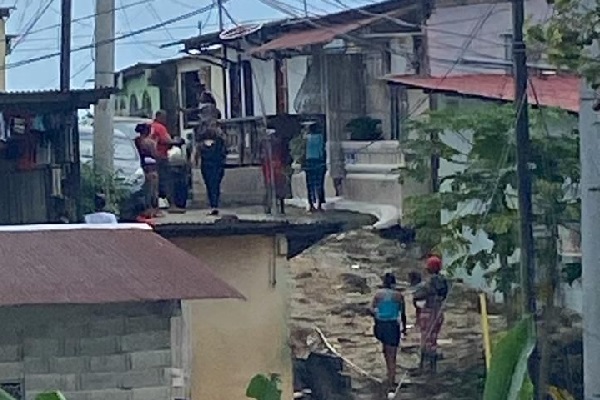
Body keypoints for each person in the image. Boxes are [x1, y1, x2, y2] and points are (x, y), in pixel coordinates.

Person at [370, 272, 407, 390]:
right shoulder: (399, 296)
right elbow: (403, 314)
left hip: (380, 326)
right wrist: (404, 328)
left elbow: (372, 309)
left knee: (386, 350)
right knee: (392, 355)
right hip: (392, 326)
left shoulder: (378, 295)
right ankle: (391, 381)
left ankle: (389, 375)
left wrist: (377, 316)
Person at [413, 256, 449, 373]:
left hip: (428, 312)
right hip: (439, 311)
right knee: (433, 339)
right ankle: (432, 367)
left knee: (425, 339)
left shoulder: (428, 283)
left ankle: (423, 367)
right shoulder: (443, 282)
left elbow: (418, 295)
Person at [150, 110, 182, 210]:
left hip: (152, 159)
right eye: (164, 117)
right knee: (167, 181)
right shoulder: (160, 127)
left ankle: (155, 205)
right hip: (161, 157)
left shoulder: (151, 126)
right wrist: (177, 141)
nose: (165, 120)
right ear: (159, 117)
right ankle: (171, 204)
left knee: (155, 183)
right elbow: (167, 140)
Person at [196, 125, 227, 215]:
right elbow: (224, 151)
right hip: (218, 166)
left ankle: (212, 204)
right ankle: (215, 203)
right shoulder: (219, 143)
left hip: (206, 167)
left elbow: (197, 156)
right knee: (216, 185)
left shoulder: (201, 145)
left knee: (209, 186)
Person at [134, 123, 160, 218]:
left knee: (145, 189)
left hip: (141, 166)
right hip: (151, 167)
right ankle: (152, 210)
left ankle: (145, 209)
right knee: (153, 190)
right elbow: (155, 154)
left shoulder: (136, 141)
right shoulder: (150, 142)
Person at [302, 121, 326, 212]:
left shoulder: (306, 138)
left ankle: (311, 204)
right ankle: (319, 204)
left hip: (309, 162)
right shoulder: (320, 137)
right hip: (318, 162)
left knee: (310, 184)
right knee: (319, 183)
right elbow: (321, 150)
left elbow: (303, 150)